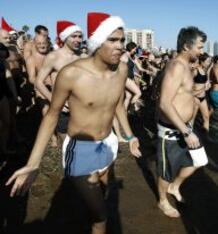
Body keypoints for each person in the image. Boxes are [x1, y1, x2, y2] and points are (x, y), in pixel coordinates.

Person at [6, 12, 141, 234]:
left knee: (102, 192)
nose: (120, 46)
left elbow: (116, 106)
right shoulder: (71, 74)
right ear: (97, 42)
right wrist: (33, 163)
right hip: (81, 150)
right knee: (101, 215)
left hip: (108, 144)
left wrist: (129, 135)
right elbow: (51, 115)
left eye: (122, 40)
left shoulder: (122, 70)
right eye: (113, 40)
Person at [157, 26, 206, 218]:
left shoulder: (187, 66)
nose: (202, 52)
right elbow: (164, 103)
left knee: (198, 160)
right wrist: (186, 131)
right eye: (200, 47)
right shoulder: (177, 66)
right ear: (187, 46)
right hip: (172, 130)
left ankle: (174, 187)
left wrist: (195, 93)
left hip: (185, 128)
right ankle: (162, 200)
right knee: (166, 171)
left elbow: (181, 93)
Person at [34, 20, 83, 141]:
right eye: (74, 36)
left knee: (82, 142)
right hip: (62, 107)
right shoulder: (54, 57)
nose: (78, 40)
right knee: (67, 144)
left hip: (81, 105)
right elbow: (38, 82)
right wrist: (54, 100)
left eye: (80, 36)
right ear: (65, 37)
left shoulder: (83, 56)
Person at [25, 35, 59, 146]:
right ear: (34, 44)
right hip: (41, 88)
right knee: (46, 112)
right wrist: (42, 83)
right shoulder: (31, 59)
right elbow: (31, 77)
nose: (42, 45)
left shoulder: (53, 55)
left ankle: (63, 131)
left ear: (48, 43)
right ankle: (53, 136)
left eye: (44, 43)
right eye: (39, 43)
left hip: (57, 86)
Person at [192, 53, 211, 132]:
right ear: (202, 61)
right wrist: (203, 89)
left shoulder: (205, 70)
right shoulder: (195, 71)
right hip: (195, 97)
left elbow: (205, 82)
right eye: (207, 61)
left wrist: (207, 83)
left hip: (203, 98)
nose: (209, 63)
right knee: (191, 119)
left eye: (209, 61)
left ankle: (206, 136)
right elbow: (188, 85)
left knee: (206, 117)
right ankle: (188, 136)